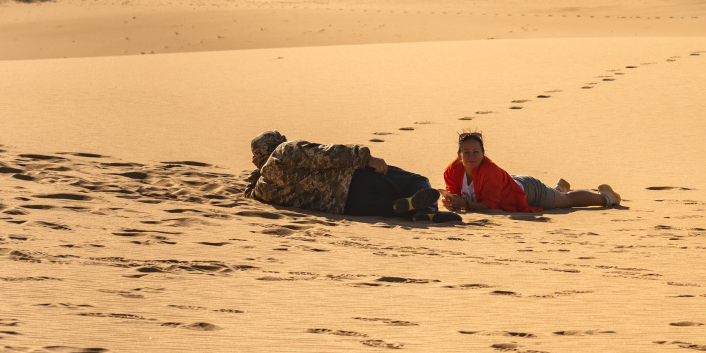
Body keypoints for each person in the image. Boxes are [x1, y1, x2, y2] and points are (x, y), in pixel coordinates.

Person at [245, 130, 458, 223]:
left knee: (394, 207)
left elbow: (249, 191)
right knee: (416, 180)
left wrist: (259, 169)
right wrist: (365, 158)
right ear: (275, 143)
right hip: (355, 180)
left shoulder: (261, 191)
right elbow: (326, 154)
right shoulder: (284, 151)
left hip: (347, 207)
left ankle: (408, 211)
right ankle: (428, 211)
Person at [440, 131, 622, 214]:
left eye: (476, 152)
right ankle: (558, 189)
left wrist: (463, 204)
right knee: (558, 196)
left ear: (484, 154)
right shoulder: (452, 170)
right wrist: (452, 201)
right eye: (466, 153)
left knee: (567, 202)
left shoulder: (490, 172)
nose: (471, 156)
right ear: (458, 155)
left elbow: (490, 206)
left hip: (527, 191)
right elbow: (456, 193)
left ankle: (607, 198)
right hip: (510, 183)